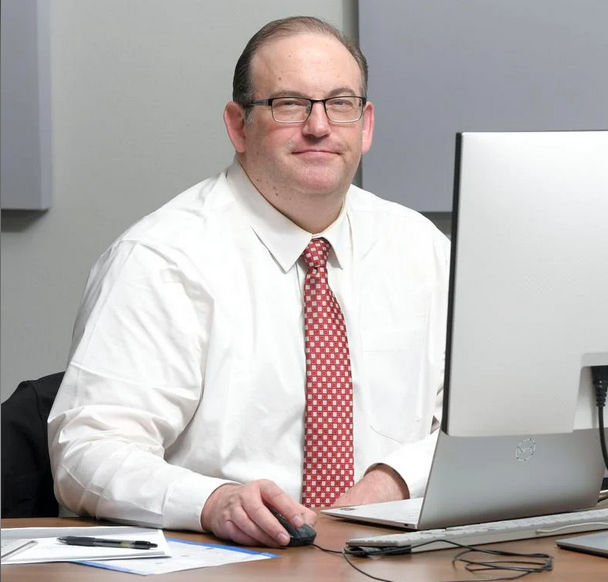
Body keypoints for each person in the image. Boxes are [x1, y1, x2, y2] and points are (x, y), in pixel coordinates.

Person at [48, 16, 450, 548]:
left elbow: (480, 425)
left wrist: (391, 481)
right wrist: (215, 503)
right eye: (289, 104)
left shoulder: (422, 249)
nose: (319, 126)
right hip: (229, 559)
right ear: (238, 125)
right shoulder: (161, 260)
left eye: (340, 103)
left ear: (366, 124)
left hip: (388, 555)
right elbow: (87, 452)